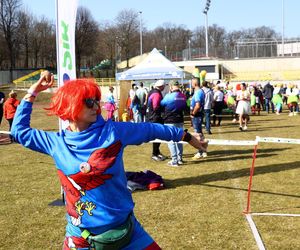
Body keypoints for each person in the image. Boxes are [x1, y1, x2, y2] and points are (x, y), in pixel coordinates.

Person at [11, 75, 207, 250]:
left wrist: (188, 137)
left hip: (127, 232)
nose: (96, 107)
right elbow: (19, 132)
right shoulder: (56, 143)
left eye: (97, 101)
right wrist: (33, 91)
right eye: (89, 102)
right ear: (70, 104)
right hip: (81, 239)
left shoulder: (113, 132)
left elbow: (151, 129)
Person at [161, 81, 186, 167]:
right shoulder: (183, 96)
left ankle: (174, 160)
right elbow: (185, 107)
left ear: (171, 87)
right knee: (179, 139)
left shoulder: (168, 96)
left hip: (170, 120)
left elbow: (161, 104)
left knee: (171, 141)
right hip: (180, 120)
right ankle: (180, 159)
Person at [146, 80, 168, 161]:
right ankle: (154, 154)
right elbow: (155, 106)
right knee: (157, 136)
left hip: (151, 117)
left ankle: (157, 152)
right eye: (164, 86)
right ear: (161, 86)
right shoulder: (157, 94)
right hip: (155, 118)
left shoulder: (151, 91)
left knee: (158, 136)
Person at [190, 77, 207, 159]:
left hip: (197, 115)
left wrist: (193, 113)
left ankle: (200, 151)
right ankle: (203, 150)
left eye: (192, 82)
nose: (191, 84)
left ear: (195, 83)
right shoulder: (199, 91)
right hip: (199, 114)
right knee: (200, 133)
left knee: (198, 134)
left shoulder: (198, 92)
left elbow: (198, 105)